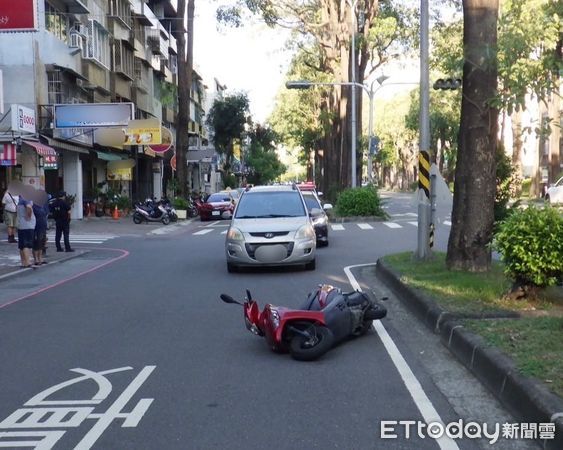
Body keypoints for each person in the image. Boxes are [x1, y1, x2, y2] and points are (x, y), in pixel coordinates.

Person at [16, 195, 36, 268]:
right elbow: (29, 207)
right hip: (28, 225)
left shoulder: (20, 201)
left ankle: (23, 262)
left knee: (21, 245)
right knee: (27, 244)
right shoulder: (26, 199)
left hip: (21, 224)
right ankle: (28, 262)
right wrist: (29, 216)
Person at [32, 199, 48, 265]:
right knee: (36, 243)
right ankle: (36, 259)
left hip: (43, 225)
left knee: (42, 242)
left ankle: (40, 258)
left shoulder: (43, 205)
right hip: (36, 226)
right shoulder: (33, 205)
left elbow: (46, 213)